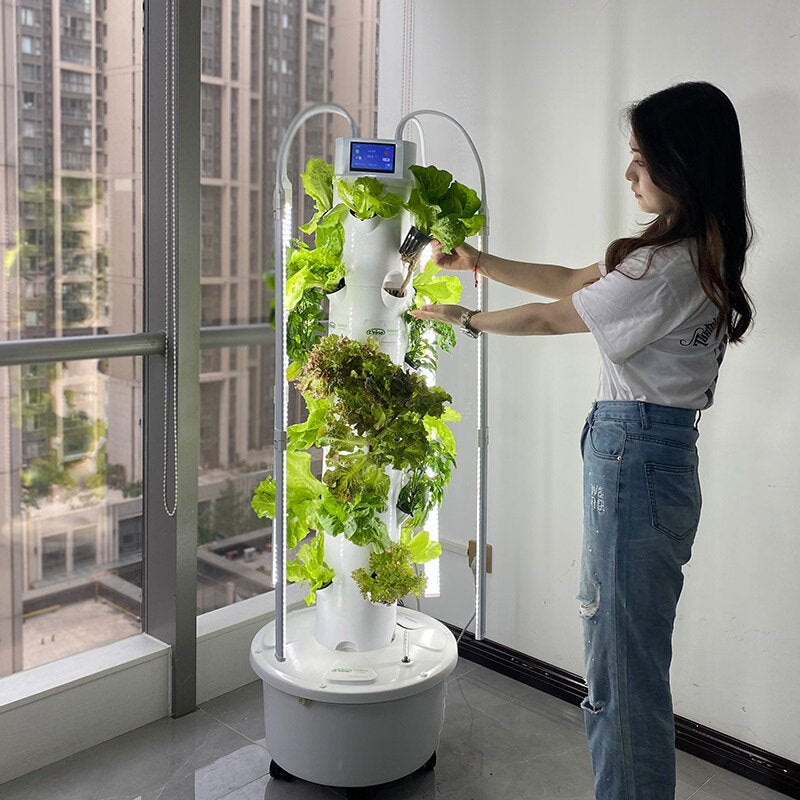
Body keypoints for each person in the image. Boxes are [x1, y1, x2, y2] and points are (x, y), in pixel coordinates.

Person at [409, 81, 754, 799]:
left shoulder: (667, 265)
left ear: (681, 164)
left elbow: (548, 318)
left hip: (635, 456)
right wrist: (480, 263)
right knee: (626, 665)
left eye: (640, 159)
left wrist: (461, 320)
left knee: (619, 677)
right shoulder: (689, 250)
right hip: (653, 453)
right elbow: (569, 281)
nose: (629, 174)